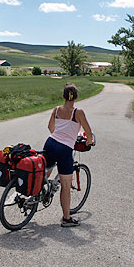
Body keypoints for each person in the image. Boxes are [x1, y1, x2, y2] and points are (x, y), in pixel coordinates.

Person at [44, 83, 93, 227]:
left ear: (63, 96)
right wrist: (89, 142)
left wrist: (58, 135)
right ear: (76, 97)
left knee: (46, 170)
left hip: (50, 142)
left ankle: (38, 193)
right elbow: (88, 132)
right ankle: (66, 218)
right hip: (64, 149)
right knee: (66, 186)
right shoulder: (78, 112)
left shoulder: (56, 110)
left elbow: (50, 127)